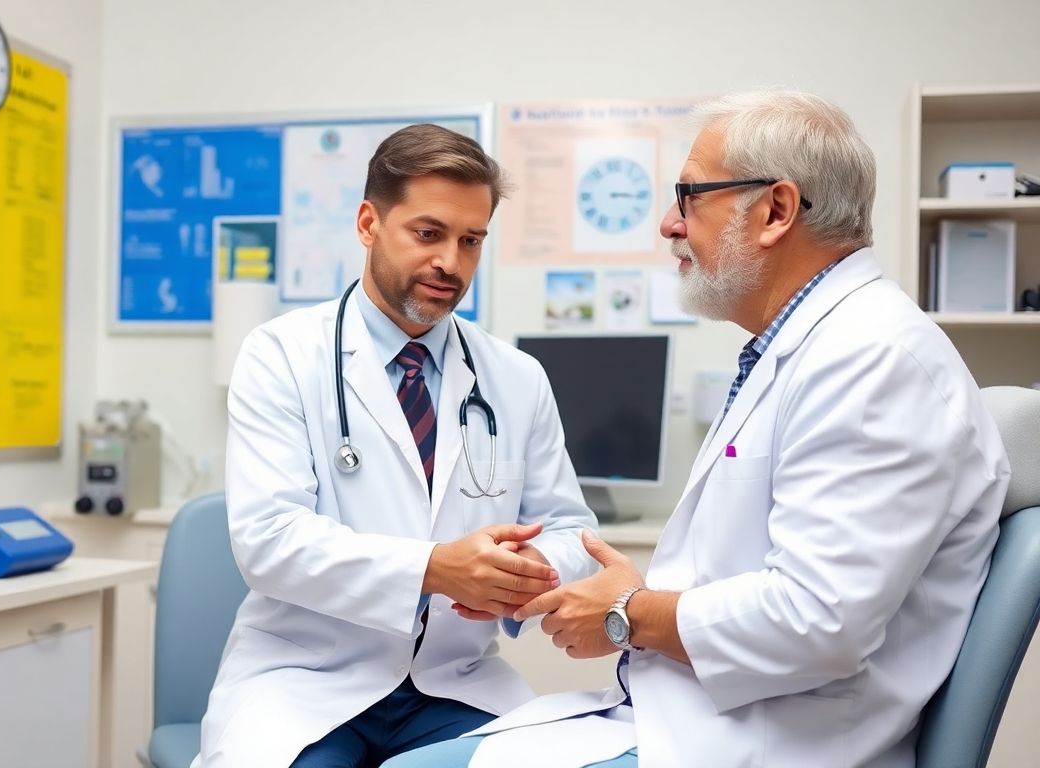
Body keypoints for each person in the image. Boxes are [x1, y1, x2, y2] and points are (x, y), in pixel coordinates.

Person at [383, 91, 1011, 768]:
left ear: (775, 211)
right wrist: (618, 604)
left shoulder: (873, 360)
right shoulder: (810, 351)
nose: (668, 224)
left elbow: (817, 620)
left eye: (688, 196)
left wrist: (629, 612)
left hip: (773, 746)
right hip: (701, 717)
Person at [198, 124, 599, 768]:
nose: (451, 263)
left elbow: (572, 532)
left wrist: (524, 573)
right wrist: (435, 568)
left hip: (455, 683)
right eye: (428, 233)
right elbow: (268, 541)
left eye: (471, 241)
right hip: (307, 683)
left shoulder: (516, 377)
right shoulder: (282, 355)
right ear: (369, 223)